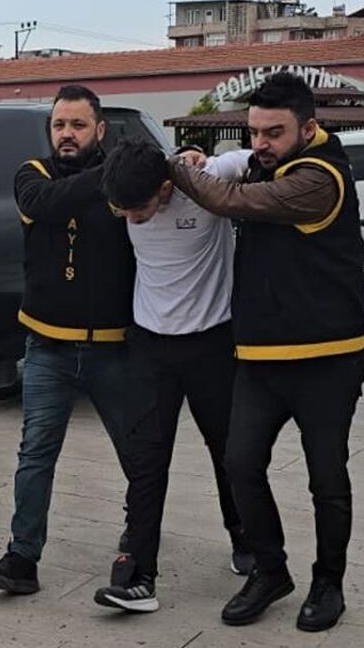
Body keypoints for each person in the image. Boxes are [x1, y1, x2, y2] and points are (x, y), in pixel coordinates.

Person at [167, 72, 364, 633]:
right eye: (254, 132)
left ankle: (328, 583)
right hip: (260, 357)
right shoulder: (267, 163)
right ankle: (270, 570)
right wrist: (203, 159)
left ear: (309, 127)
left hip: (327, 357)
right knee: (239, 464)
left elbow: (230, 200)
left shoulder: (320, 178)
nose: (260, 143)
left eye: (274, 133)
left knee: (326, 477)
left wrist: (174, 168)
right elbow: (232, 171)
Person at [0, 84, 136, 596]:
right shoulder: (33, 174)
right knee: (36, 454)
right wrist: (112, 175)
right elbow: (45, 204)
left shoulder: (124, 181)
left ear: (100, 130)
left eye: (78, 125)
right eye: (59, 125)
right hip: (47, 347)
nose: (67, 134)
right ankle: (22, 558)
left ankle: (140, 541)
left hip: (114, 347)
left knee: (138, 453)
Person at [91, 138, 253, 614]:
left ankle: (244, 537)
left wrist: (201, 157)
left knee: (228, 451)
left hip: (211, 344)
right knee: (146, 460)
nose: (130, 218)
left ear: (165, 188)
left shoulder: (206, 181)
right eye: (121, 211)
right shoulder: (126, 193)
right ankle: (137, 576)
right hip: (150, 347)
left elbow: (255, 160)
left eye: (138, 210)